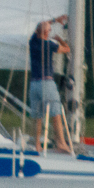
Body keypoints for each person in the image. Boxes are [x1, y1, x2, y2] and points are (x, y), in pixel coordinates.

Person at [30, 15, 72, 153]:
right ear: (47, 33)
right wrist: (60, 39)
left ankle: (37, 145)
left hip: (34, 84)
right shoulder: (50, 45)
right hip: (46, 83)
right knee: (56, 113)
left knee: (37, 116)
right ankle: (61, 143)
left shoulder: (33, 42)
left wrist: (55, 20)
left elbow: (41, 26)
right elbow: (67, 49)